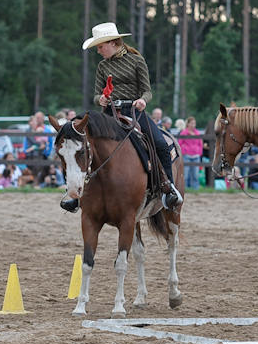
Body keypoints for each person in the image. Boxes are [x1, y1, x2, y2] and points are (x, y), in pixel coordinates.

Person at [60, 22, 183, 212]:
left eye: (100, 46)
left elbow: (147, 91)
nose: (99, 51)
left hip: (134, 110)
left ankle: (169, 188)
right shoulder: (102, 66)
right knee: (87, 146)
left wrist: (142, 100)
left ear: (112, 42)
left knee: (159, 143)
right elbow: (96, 94)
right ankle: (79, 196)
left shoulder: (136, 61)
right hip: (109, 113)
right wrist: (100, 99)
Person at [178, 116, 203, 190]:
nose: (193, 125)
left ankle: (196, 189)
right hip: (187, 156)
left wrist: (199, 152)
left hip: (196, 156)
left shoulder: (197, 133)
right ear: (188, 124)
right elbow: (179, 144)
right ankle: (184, 189)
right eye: (192, 123)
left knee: (195, 175)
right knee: (186, 175)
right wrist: (184, 151)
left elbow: (200, 144)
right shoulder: (184, 133)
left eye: (194, 123)